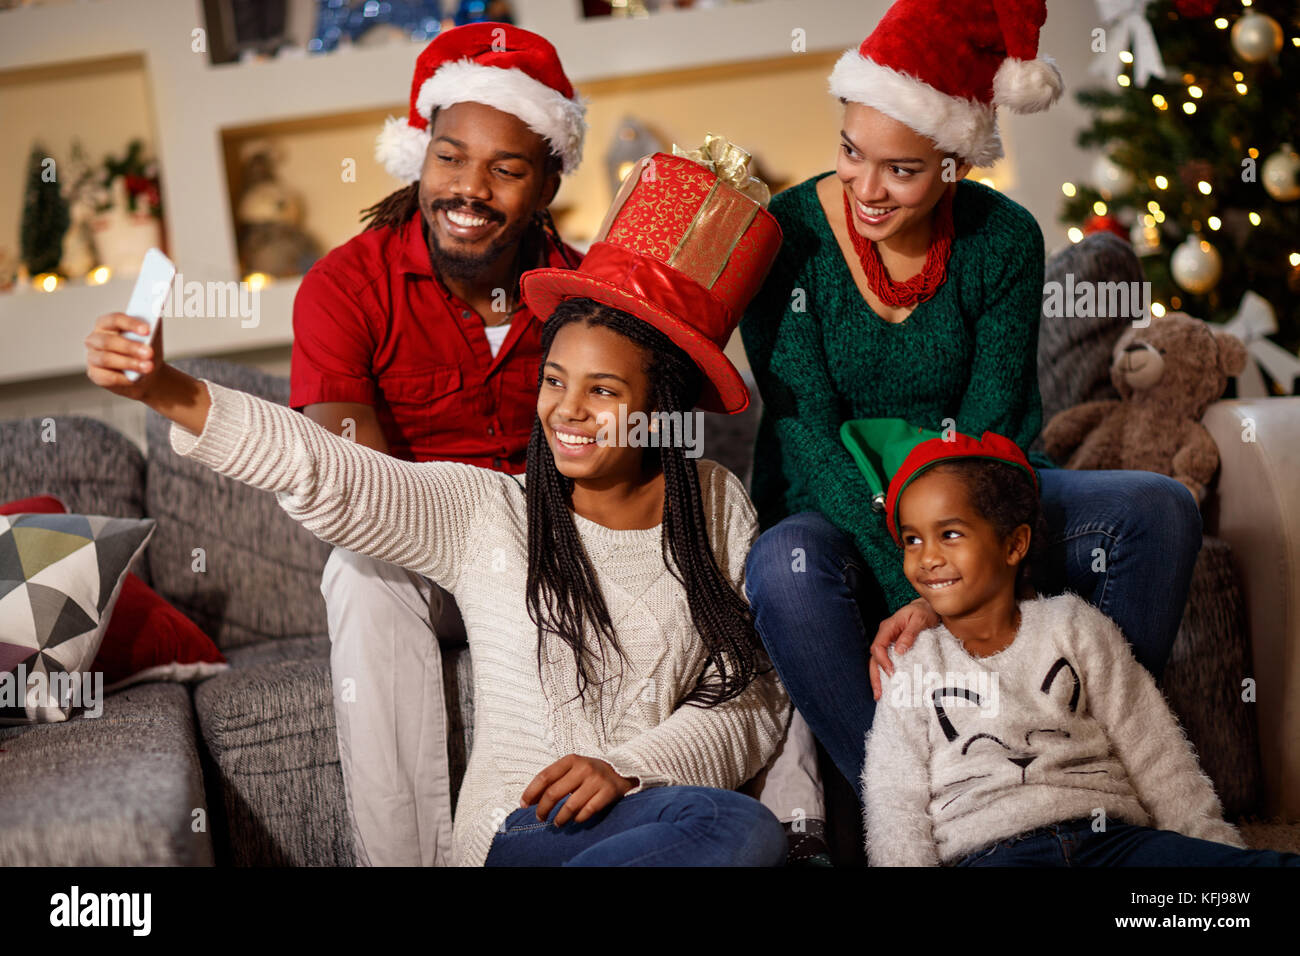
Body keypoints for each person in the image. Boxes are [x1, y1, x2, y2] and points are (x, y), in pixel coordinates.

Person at [84, 149, 792, 867]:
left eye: (603, 391)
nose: (567, 410)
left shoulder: (715, 504)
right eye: (554, 380)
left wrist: (625, 767)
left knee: (743, 828)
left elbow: (752, 697)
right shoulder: (491, 513)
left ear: (661, 405)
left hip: (645, 810)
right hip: (523, 831)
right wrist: (167, 390)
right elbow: (333, 473)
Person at [739, 0, 1203, 805]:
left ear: (956, 162)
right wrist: (918, 574)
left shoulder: (1004, 239)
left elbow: (995, 426)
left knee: (1157, 509)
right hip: (837, 506)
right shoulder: (788, 237)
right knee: (785, 566)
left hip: (984, 491)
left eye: (903, 170)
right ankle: (921, 800)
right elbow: (804, 437)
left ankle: (1079, 767)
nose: (867, 189)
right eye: (851, 152)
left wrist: (956, 556)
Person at [291, 22, 586, 865]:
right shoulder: (346, 286)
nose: (470, 188)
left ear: (547, 182)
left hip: (551, 550)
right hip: (415, 555)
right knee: (357, 570)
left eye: (506, 168)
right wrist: (481, 529)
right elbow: (360, 487)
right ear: (419, 155)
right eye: (450, 157)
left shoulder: (585, 290)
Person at [863, 430, 1299, 867]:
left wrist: (1213, 848)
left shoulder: (1074, 625)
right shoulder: (911, 660)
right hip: (993, 853)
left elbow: (1154, 749)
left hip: (1113, 841)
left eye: (950, 534)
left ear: (1015, 544)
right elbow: (894, 798)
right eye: (912, 540)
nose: (927, 558)